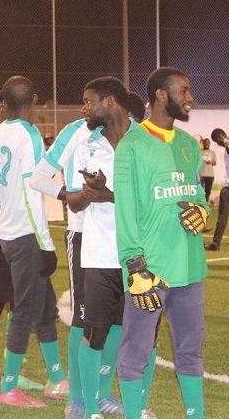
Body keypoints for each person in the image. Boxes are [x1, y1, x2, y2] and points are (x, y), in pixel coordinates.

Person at [32, 77, 132, 419]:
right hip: (85, 236)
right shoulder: (76, 132)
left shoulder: (135, 134)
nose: (83, 108)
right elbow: (39, 176)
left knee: (118, 321)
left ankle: (101, 393)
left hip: (128, 238)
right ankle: (77, 398)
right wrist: (70, 196)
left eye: (88, 101)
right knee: (83, 320)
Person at [114, 66, 209, 419]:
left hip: (191, 265)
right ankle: (134, 414)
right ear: (160, 95)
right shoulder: (132, 145)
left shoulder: (187, 145)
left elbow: (198, 193)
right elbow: (124, 211)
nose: (190, 98)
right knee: (136, 350)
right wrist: (135, 266)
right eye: (183, 91)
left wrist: (202, 209)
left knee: (191, 350)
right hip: (151, 270)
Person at [0, 76, 68, 408]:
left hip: (7, 231)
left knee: (45, 307)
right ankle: (8, 387)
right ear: (33, 101)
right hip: (25, 234)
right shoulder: (28, 134)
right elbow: (34, 189)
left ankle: (57, 379)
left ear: (4, 102)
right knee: (27, 309)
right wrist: (46, 244)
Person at [199, 138, 216, 205]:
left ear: (210, 144)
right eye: (205, 143)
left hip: (210, 175)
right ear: (203, 143)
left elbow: (215, 163)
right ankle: (200, 203)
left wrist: (211, 162)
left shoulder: (212, 152)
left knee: (208, 190)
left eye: (208, 143)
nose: (207, 144)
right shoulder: (199, 152)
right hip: (201, 174)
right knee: (201, 190)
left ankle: (205, 203)